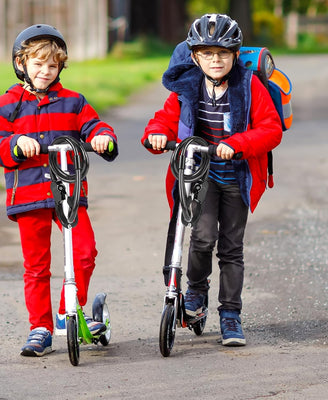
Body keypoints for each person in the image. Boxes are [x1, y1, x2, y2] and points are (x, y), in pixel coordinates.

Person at [141, 14, 282, 346]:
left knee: (231, 248)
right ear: (194, 56)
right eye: (207, 53)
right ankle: (196, 292)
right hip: (199, 174)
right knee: (202, 238)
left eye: (222, 53)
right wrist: (157, 135)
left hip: (237, 176)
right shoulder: (186, 87)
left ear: (235, 55)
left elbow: (271, 129)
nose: (215, 60)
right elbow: (164, 119)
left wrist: (236, 144)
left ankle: (230, 315)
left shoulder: (250, 85)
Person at [0, 24, 118, 357]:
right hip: (29, 194)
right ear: (21, 64)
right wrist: (16, 143)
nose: (45, 71)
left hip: (68, 192)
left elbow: (94, 125)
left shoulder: (72, 102)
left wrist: (103, 137)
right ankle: (40, 327)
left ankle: (66, 309)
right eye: (38, 64)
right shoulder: (5, 105)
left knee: (84, 251)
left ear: (60, 67)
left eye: (52, 66)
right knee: (37, 265)